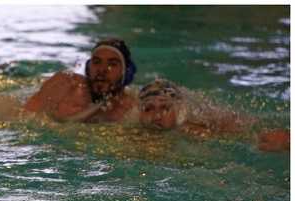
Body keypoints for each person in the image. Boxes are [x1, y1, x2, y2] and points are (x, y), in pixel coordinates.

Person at [138, 78, 290, 152]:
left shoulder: (194, 127)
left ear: (178, 109)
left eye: (165, 108)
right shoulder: (133, 130)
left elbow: (239, 138)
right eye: (148, 109)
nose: (156, 116)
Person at [23, 38, 138, 123]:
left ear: (126, 73)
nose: (102, 70)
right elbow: (24, 118)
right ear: (88, 68)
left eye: (112, 64)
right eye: (97, 62)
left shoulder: (132, 109)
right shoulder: (67, 86)